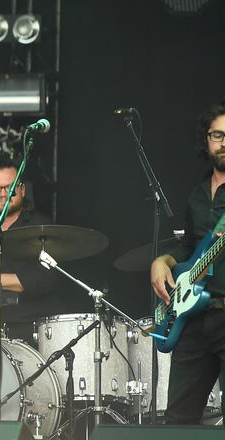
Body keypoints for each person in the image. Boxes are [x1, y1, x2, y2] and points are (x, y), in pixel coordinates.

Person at [150, 100, 225, 424]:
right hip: (193, 319)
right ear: (206, 140)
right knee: (178, 420)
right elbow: (191, 248)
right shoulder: (197, 194)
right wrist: (162, 261)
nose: (224, 142)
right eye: (217, 135)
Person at [0, 158, 58, 343]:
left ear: (22, 190)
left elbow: (45, 279)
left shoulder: (41, 227)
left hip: (34, 329)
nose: (3, 193)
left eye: (10, 187)